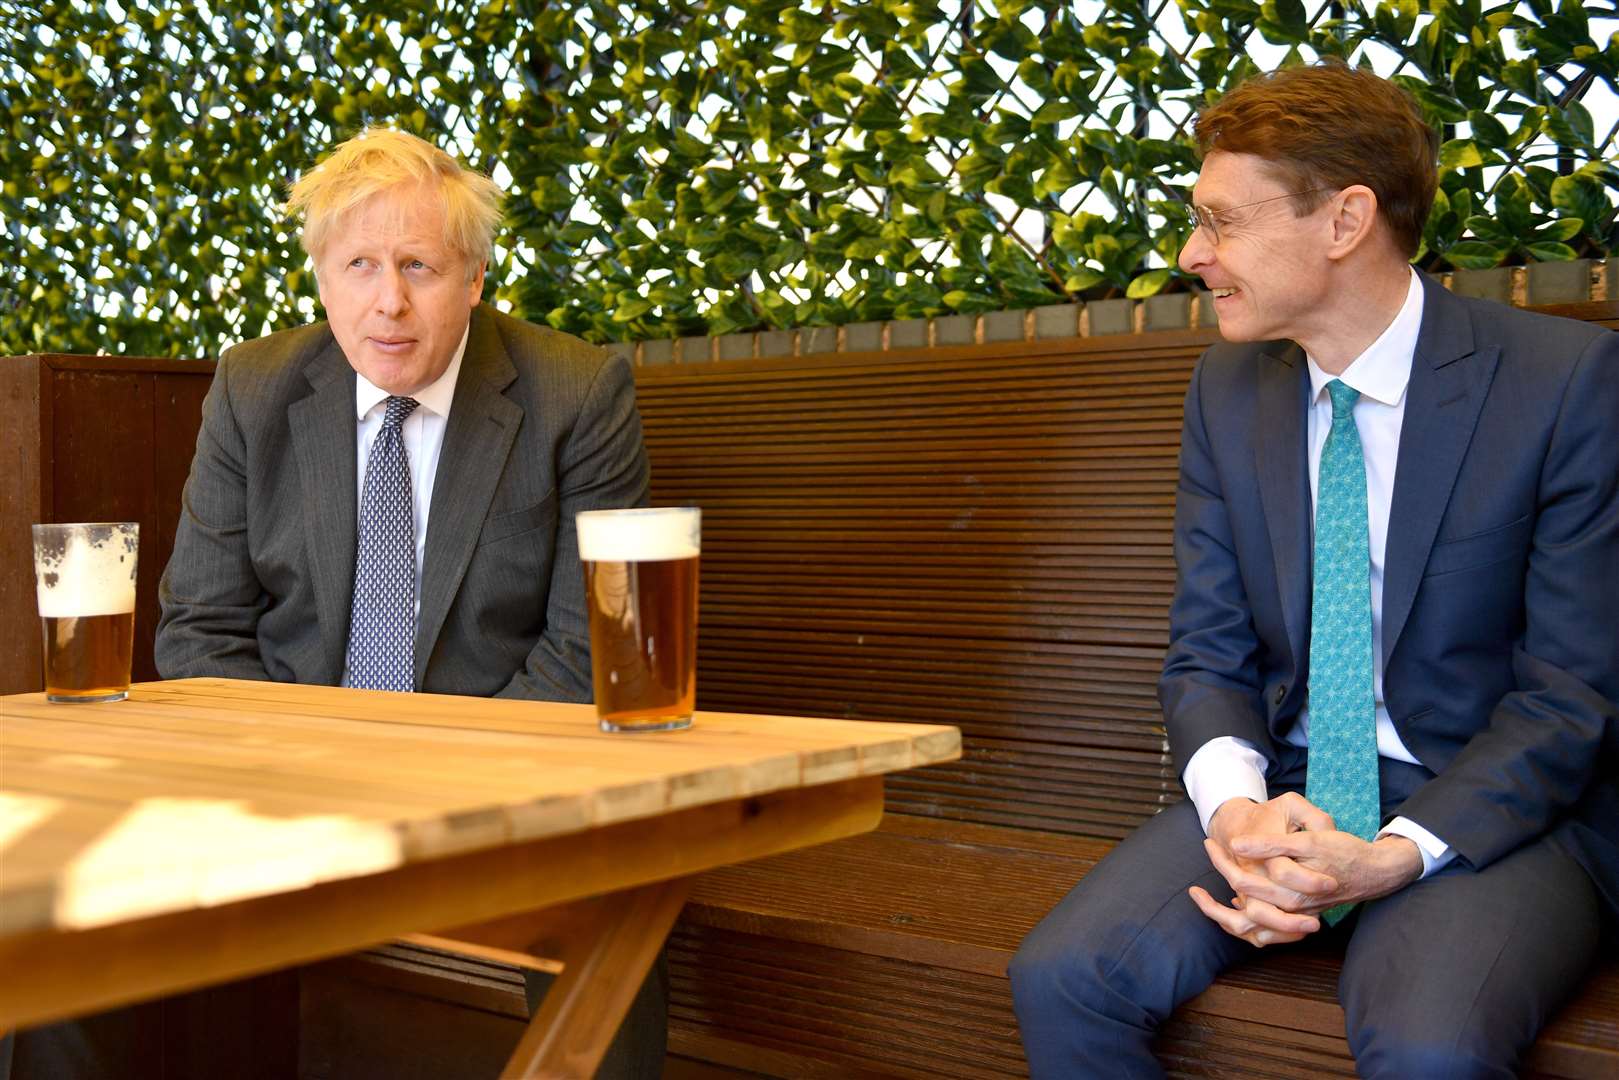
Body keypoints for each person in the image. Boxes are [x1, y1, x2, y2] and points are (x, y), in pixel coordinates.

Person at [1009, 61, 1618, 1078]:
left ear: (1342, 222)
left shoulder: (1561, 386)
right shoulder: (1227, 390)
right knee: (1065, 977)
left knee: (1427, 1046)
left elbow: (1570, 693)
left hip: (1495, 811)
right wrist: (1236, 808)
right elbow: (1207, 645)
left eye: (1219, 221)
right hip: (1287, 784)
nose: (1189, 253)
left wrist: (1388, 854)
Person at [13, 129, 662, 1078]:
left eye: (419, 266)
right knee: (56, 911)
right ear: (321, 275)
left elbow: (588, 652)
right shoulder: (254, 386)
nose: (387, 301)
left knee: (615, 901)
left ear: (475, 277)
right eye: (358, 264)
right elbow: (200, 629)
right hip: (281, 783)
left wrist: (424, 785)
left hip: (493, 785)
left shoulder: (575, 391)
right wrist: (306, 779)